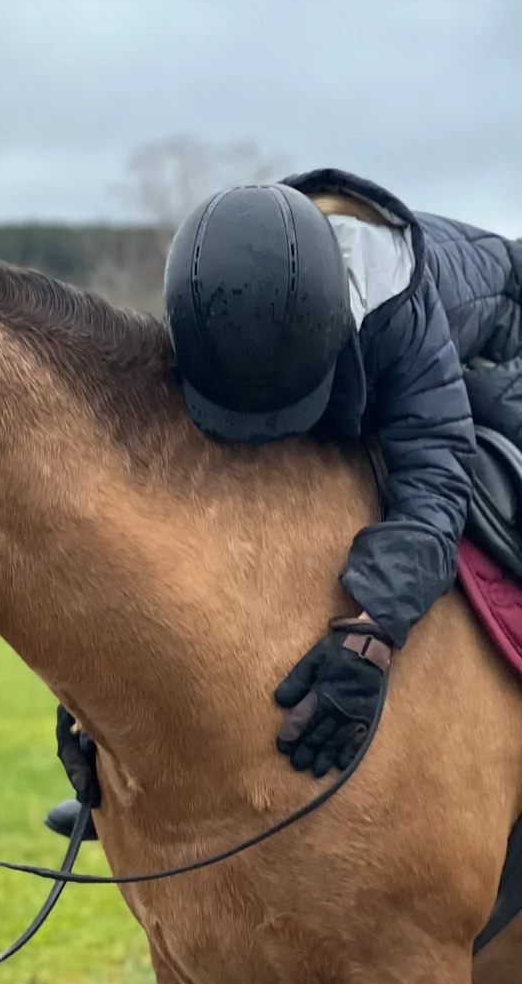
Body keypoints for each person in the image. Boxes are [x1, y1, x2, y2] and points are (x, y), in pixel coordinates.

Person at [46, 168, 522, 841]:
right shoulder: (216, 305)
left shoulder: (395, 314)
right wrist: (92, 704)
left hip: (502, 338)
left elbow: (435, 480)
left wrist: (375, 633)